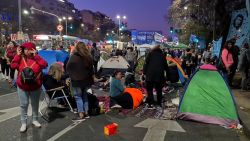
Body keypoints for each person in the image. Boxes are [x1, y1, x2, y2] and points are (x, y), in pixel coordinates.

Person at [11, 42, 48, 133]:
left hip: (35, 86)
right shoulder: (20, 58)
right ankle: (23, 123)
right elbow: (13, 66)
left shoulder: (37, 58)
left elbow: (44, 65)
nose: (26, 51)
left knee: (35, 104)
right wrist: (17, 55)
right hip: (22, 86)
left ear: (33, 49)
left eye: (28, 49)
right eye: (25, 49)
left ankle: (35, 120)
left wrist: (36, 56)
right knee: (24, 104)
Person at [67, 42, 94, 121]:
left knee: (78, 97)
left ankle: (81, 114)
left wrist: (72, 75)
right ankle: (86, 112)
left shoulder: (74, 56)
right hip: (86, 80)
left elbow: (68, 67)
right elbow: (91, 70)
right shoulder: (88, 57)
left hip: (77, 80)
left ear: (77, 48)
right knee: (84, 96)